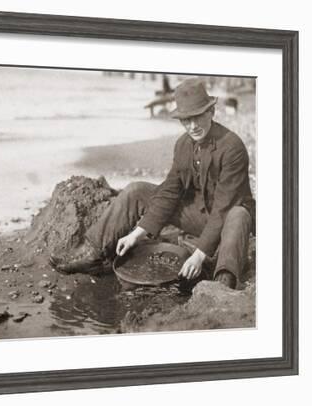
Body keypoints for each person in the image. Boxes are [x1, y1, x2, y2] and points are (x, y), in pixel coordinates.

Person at [49, 78, 255, 289]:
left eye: (198, 117)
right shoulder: (183, 144)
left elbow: (223, 208)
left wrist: (199, 256)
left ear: (211, 112)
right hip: (198, 216)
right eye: (186, 120)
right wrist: (137, 233)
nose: (192, 126)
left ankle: (223, 281)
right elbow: (170, 191)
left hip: (229, 222)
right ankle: (94, 253)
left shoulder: (232, 147)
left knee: (239, 214)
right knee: (136, 190)